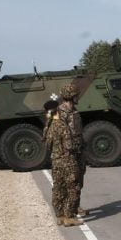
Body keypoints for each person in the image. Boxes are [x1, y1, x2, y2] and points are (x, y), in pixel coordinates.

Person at [43, 85, 83, 226]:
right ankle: (68, 214)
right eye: (76, 94)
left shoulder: (72, 111)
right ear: (72, 96)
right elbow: (52, 132)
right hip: (68, 153)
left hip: (69, 152)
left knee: (70, 183)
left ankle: (71, 209)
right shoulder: (59, 114)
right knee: (71, 184)